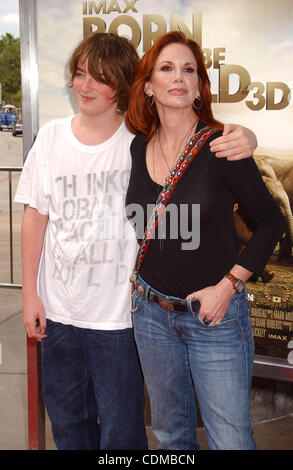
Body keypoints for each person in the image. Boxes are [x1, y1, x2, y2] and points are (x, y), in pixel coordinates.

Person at [15, 32, 258, 450]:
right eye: (80, 75)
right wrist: (30, 295)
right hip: (63, 312)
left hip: (122, 318)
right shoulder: (54, 138)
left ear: (126, 84)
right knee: (70, 423)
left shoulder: (138, 140)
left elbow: (204, 146)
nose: (87, 86)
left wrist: (247, 137)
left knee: (124, 432)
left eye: (101, 77)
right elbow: (36, 216)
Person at [125, 31, 285, 450]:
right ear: (148, 86)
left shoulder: (222, 146)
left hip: (214, 317)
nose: (178, 77)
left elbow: (271, 222)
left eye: (189, 70)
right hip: (151, 313)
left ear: (198, 87)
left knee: (230, 440)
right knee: (172, 438)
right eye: (167, 68)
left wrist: (228, 285)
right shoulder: (136, 147)